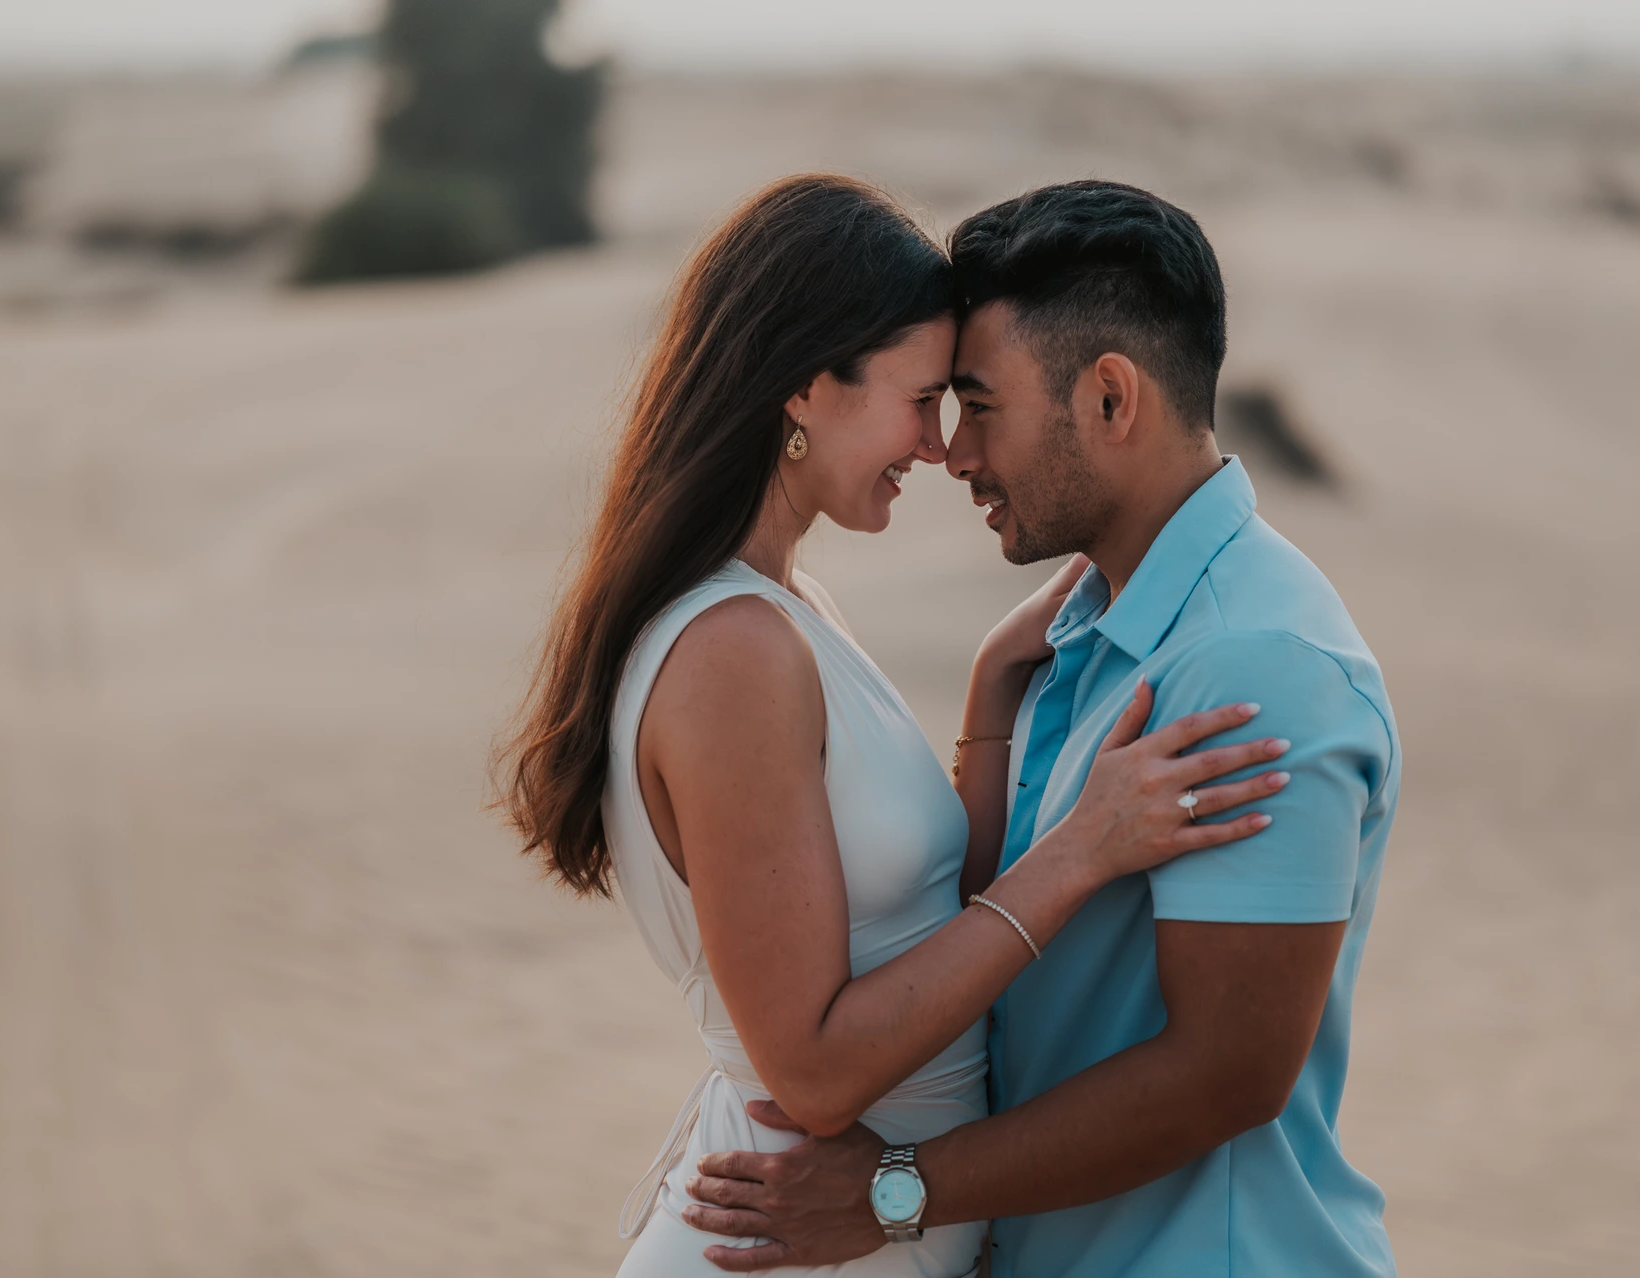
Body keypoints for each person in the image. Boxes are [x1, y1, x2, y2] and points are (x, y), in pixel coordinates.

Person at [492, 174, 1291, 1277]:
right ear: (804, 388)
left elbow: (921, 923)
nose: (935, 445)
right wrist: (1081, 852)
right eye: (921, 398)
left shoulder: (786, 611)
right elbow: (817, 1072)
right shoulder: (734, 653)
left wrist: (991, 698)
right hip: (801, 1245)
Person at [681, 182, 1400, 1277]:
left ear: (1110, 399)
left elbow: (1226, 1074)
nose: (956, 453)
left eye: (980, 406)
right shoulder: (1085, 632)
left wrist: (895, 1193)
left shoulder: (1254, 661)